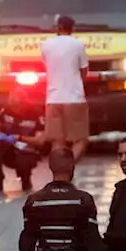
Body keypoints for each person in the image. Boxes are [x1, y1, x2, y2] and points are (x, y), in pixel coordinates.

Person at [40, 15, 91, 162]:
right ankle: (68, 167)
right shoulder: (78, 45)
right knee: (81, 140)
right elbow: (84, 71)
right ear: (72, 28)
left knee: (57, 142)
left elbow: (47, 67)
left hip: (52, 99)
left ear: (57, 27)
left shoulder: (46, 45)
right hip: (74, 99)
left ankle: (59, 172)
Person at [0, 83, 46, 193]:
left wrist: (20, 138)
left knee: (23, 160)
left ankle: (25, 178)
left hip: (27, 149)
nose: (15, 109)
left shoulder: (35, 114)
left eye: (18, 106)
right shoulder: (6, 110)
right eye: (13, 106)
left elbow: (40, 140)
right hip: (8, 147)